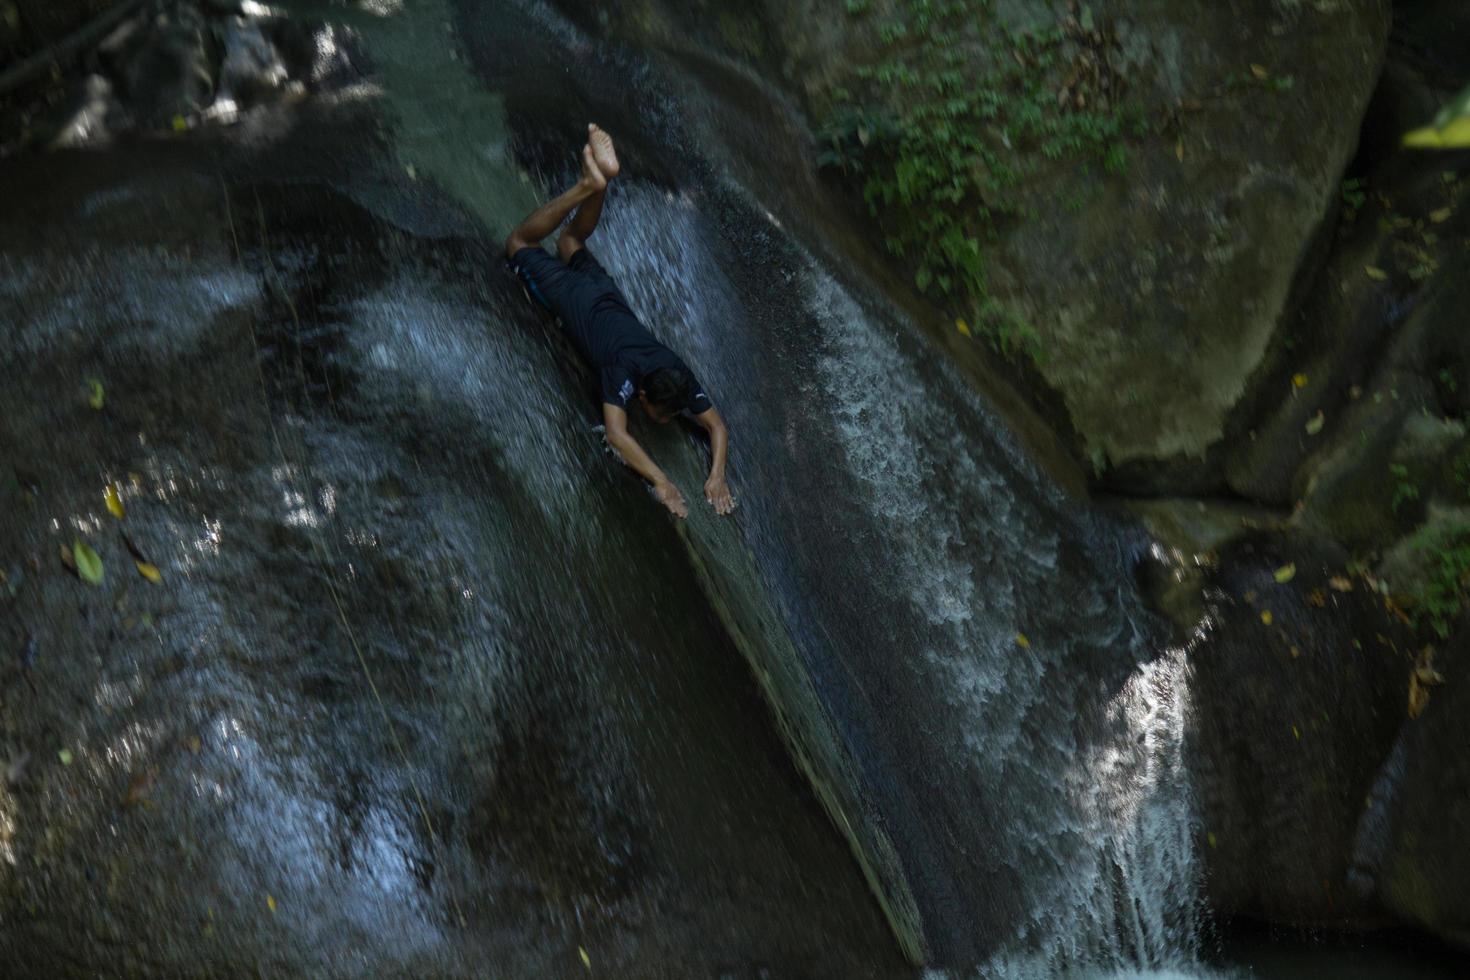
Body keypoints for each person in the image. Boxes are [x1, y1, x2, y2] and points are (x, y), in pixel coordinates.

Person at [504, 124, 734, 519]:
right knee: (519, 244)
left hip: (605, 295)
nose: (665, 421)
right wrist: (661, 481)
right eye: (661, 414)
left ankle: (602, 182)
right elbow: (617, 434)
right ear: (640, 396)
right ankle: (585, 184)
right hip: (572, 295)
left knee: (569, 243)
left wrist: (717, 475)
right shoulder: (621, 373)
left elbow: (717, 426)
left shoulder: (677, 372)